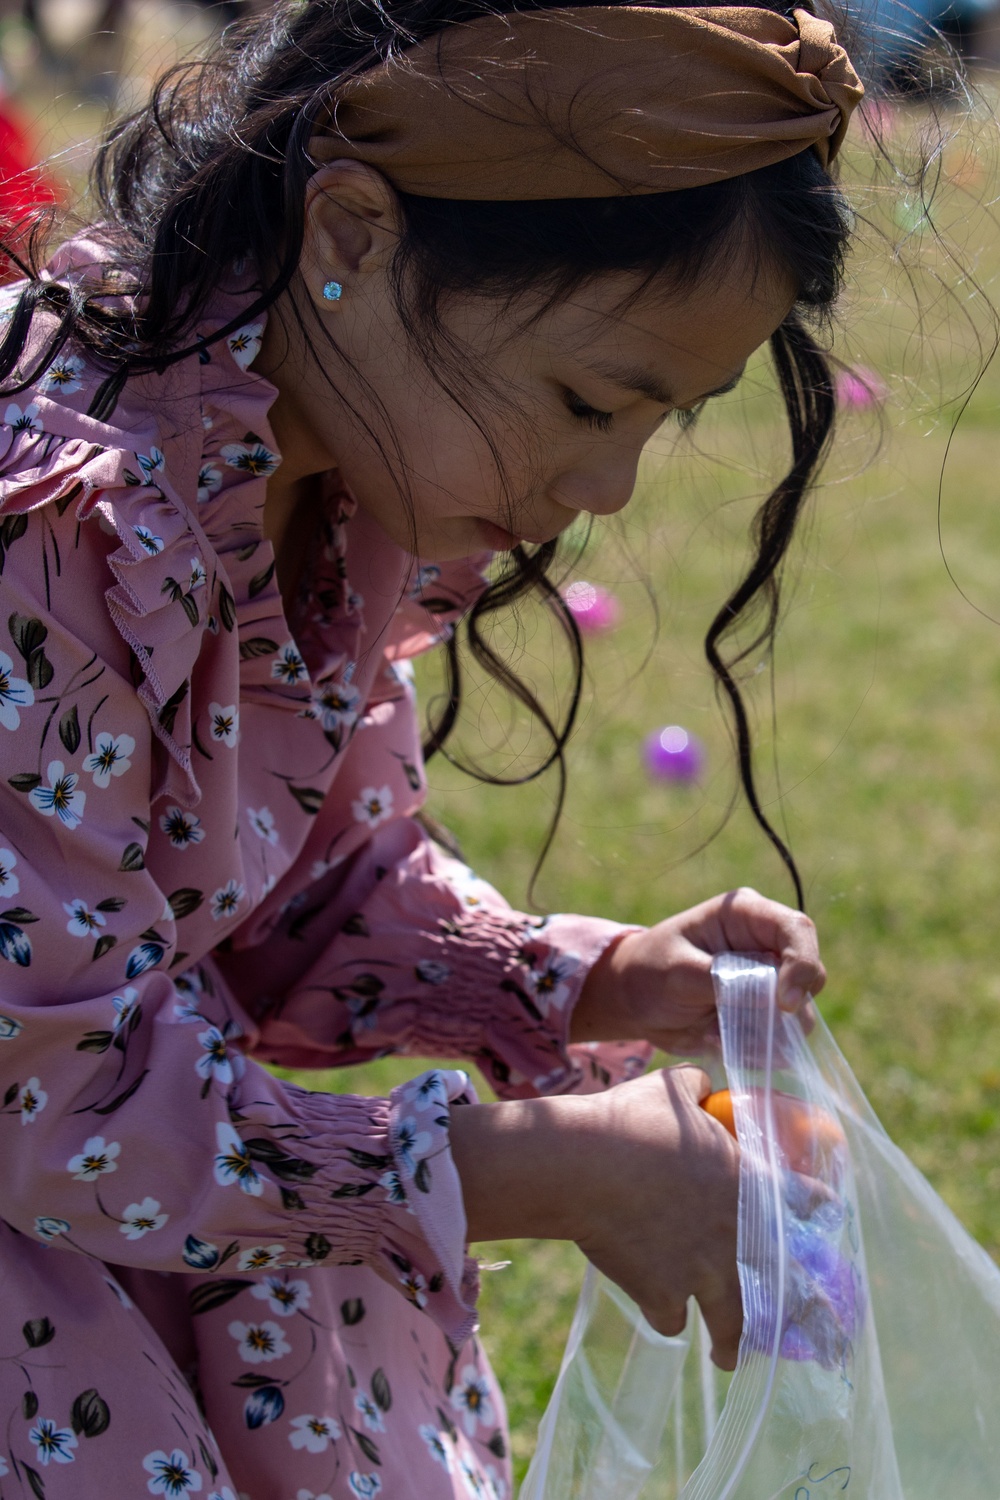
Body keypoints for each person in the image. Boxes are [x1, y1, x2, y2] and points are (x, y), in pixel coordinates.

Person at [0, 1, 857, 1495]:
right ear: (354, 232)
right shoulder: (54, 528)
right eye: (591, 399)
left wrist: (576, 976)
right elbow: (48, 1096)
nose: (606, 483)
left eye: (664, 420)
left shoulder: (314, 485)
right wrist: (542, 1168)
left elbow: (304, 892)